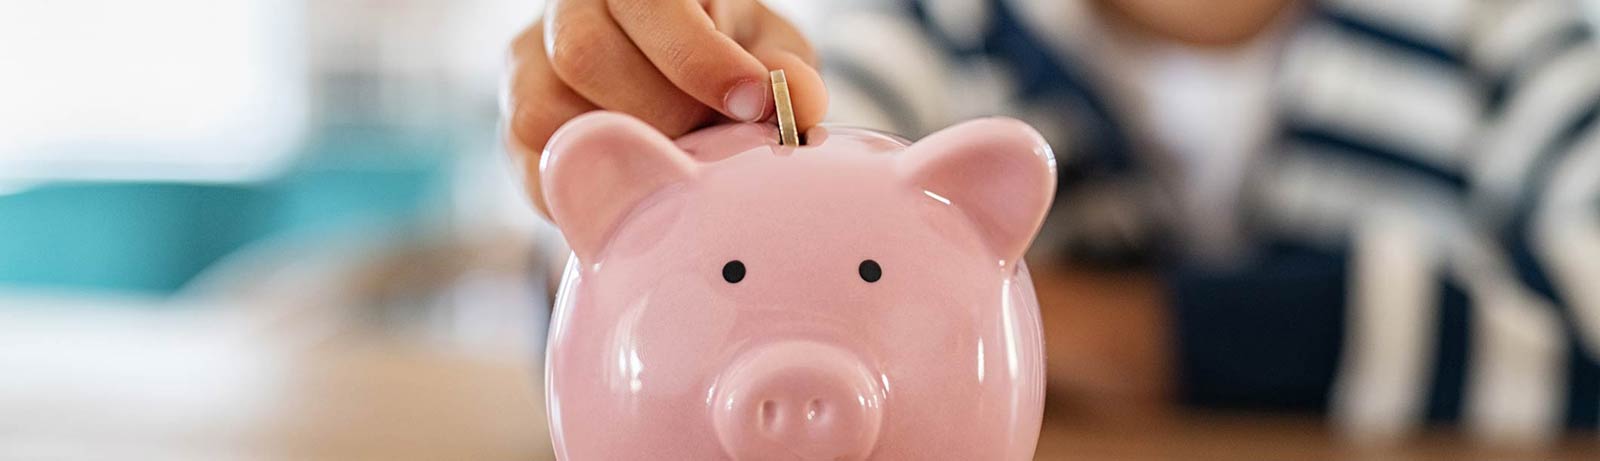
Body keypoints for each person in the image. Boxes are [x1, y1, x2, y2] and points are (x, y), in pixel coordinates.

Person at [503, 0, 1600, 440]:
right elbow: (730, 252)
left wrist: (1080, 334)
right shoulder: (928, 28)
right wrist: (672, 146)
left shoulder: (1499, 25)